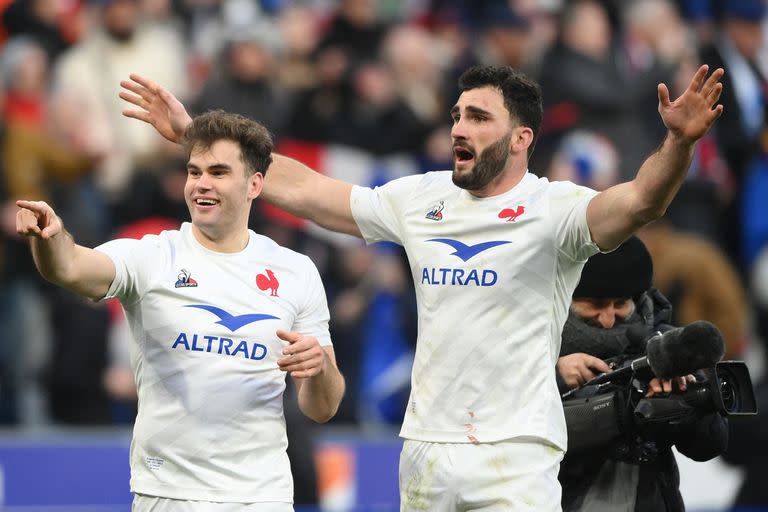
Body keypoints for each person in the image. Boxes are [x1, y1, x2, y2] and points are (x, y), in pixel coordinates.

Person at [120, 63, 724, 510]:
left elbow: (642, 201)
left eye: (479, 117)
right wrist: (197, 136)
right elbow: (306, 190)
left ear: (522, 138)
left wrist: (679, 142)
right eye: (457, 114)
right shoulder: (421, 199)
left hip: (516, 455)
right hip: (426, 451)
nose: (460, 127)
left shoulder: (556, 210)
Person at [15, 111, 345, 511]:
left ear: (255, 184)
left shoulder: (295, 271)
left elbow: (322, 407)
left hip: (261, 498)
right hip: (167, 496)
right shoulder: (153, 255)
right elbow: (69, 268)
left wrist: (320, 370)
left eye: (219, 172)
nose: (202, 184)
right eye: (195, 171)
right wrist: (50, 238)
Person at [556, 235, 728, 511]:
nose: (608, 318)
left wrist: (684, 407)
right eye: (594, 304)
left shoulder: (666, 349)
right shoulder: (535, 348)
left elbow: (710, 445)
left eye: (621, 303)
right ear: (562, 298)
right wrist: (553, 376)